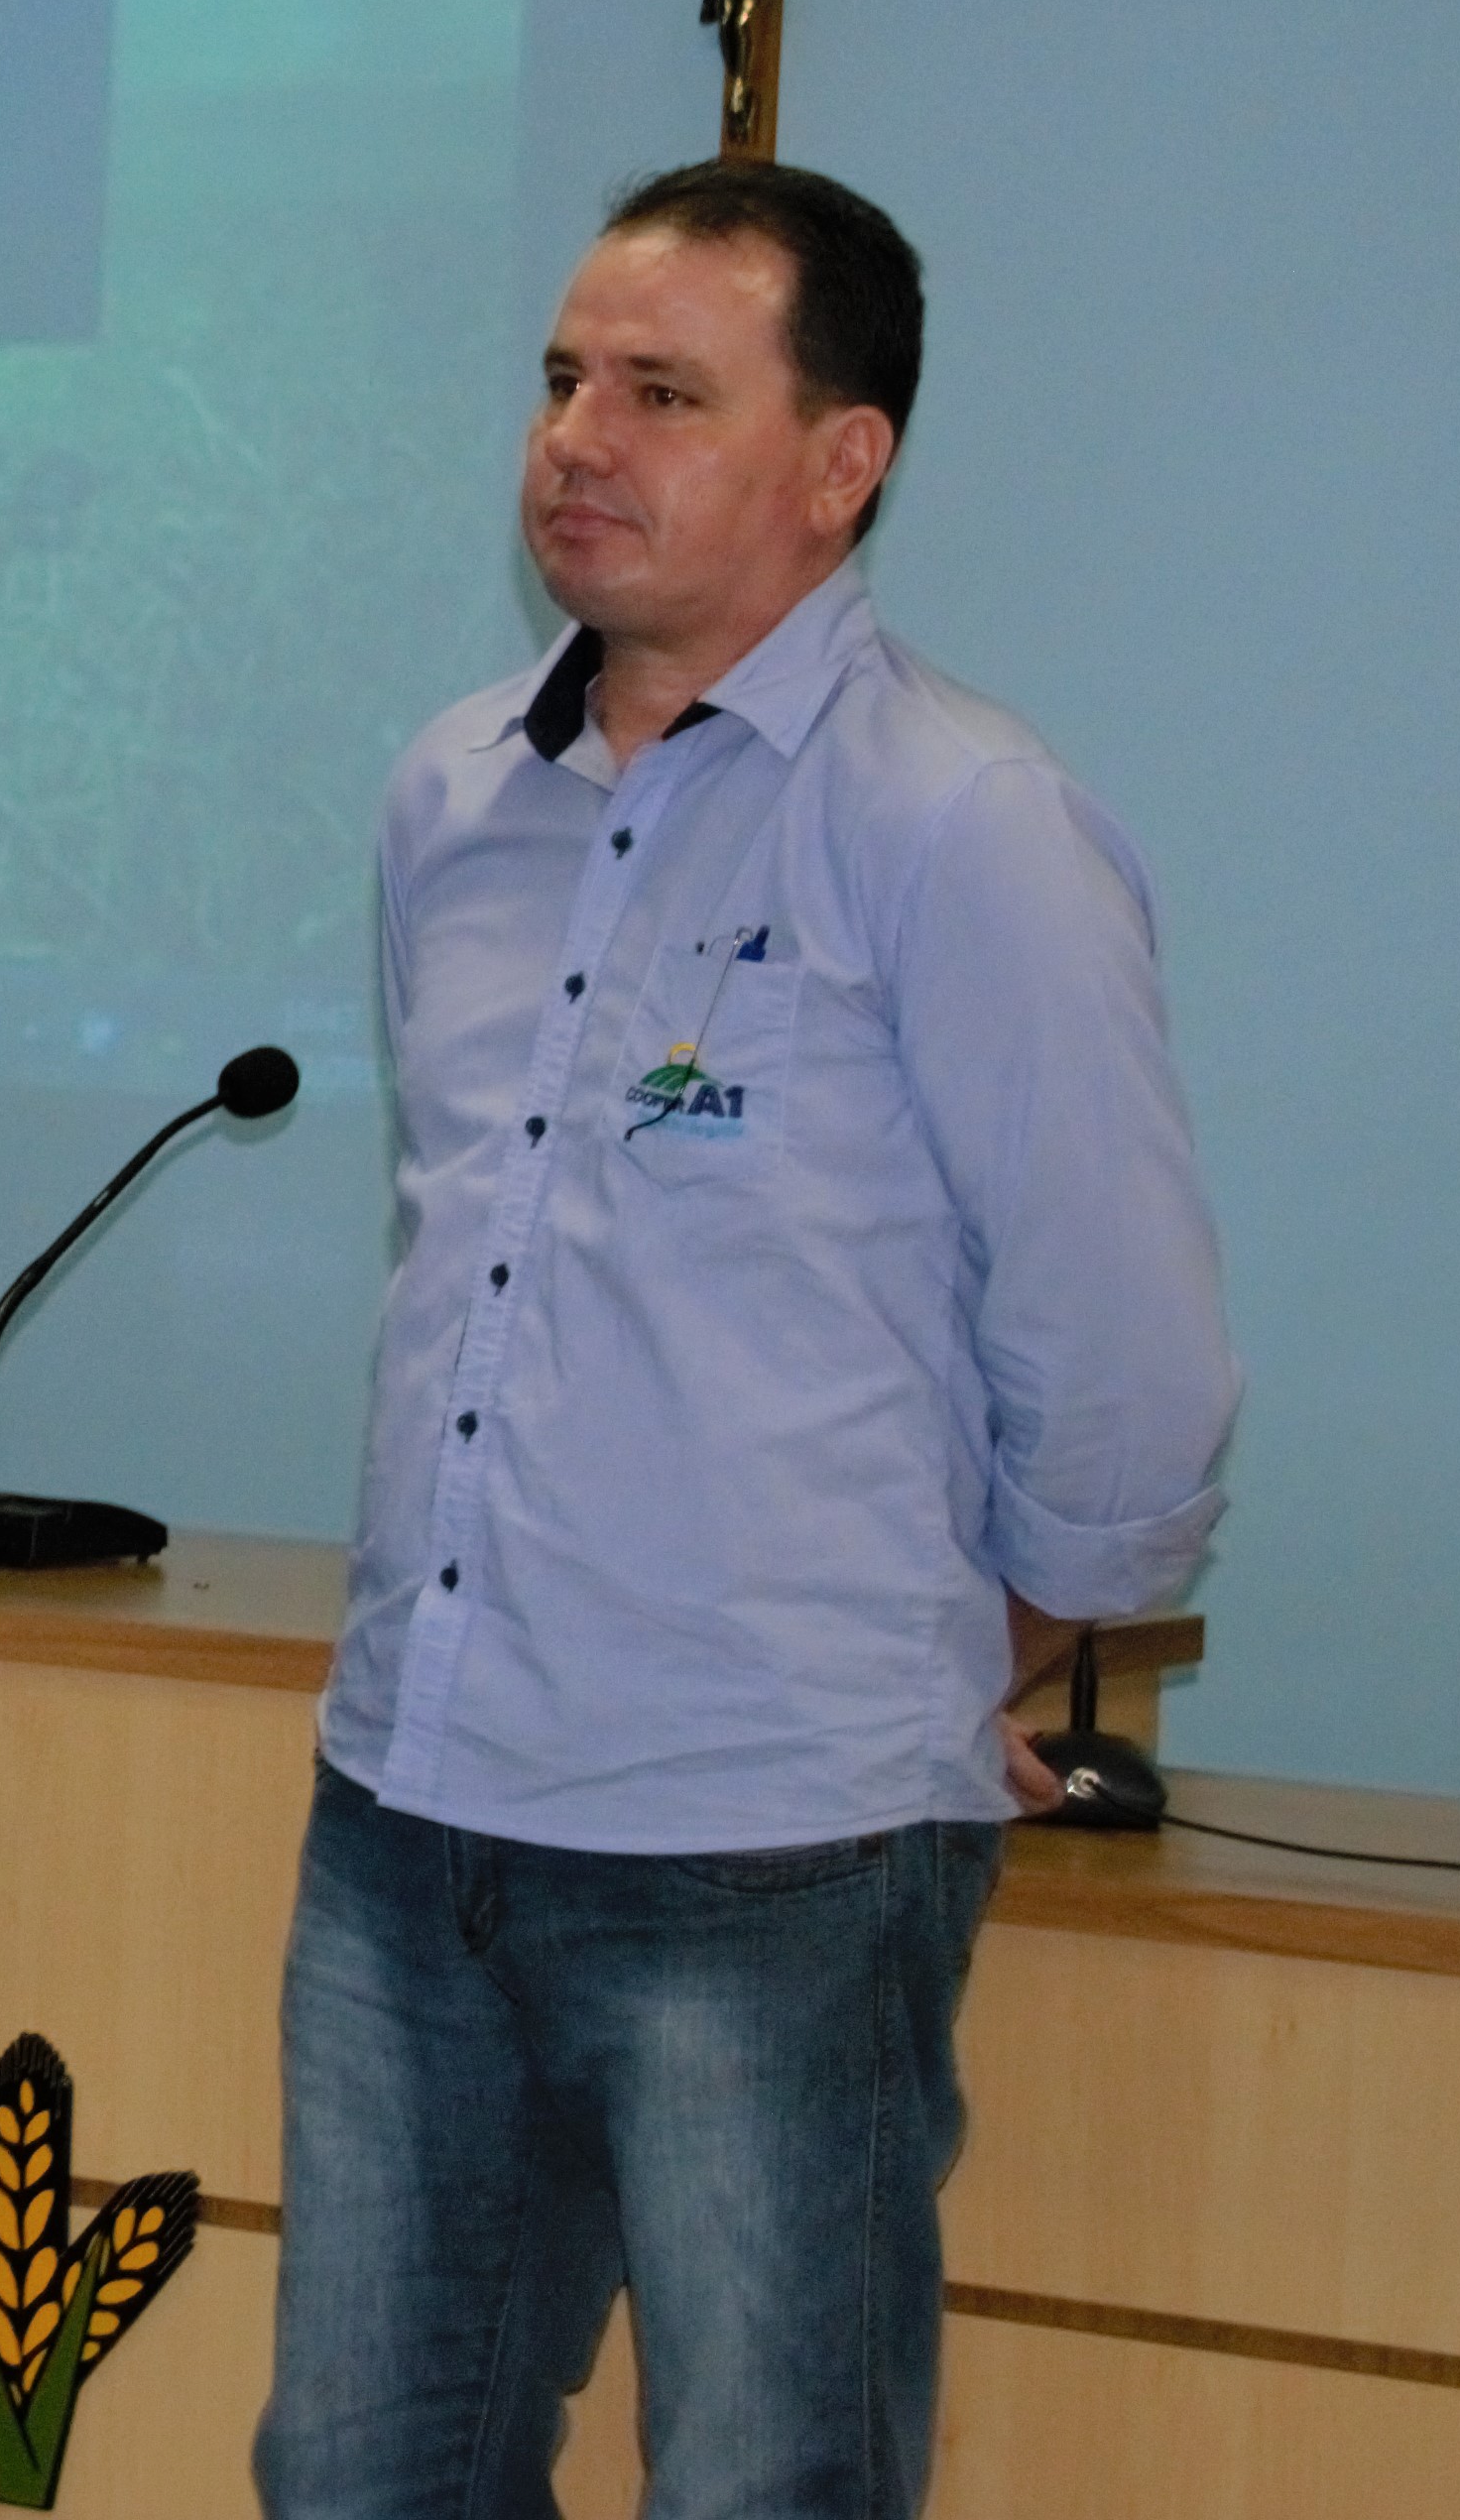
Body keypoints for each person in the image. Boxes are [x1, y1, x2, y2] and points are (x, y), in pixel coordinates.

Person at [258, 159, 1240, 2520]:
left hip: (767, 1855)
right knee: (361, 2475)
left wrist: (939, 1652)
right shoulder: (450, 797)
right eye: (563, 378)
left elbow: (1130, 1371)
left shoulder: (965, 819)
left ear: (839, 461)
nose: (576, 435)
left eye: (663, 392)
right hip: (413, 1812)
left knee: (767, 2485)